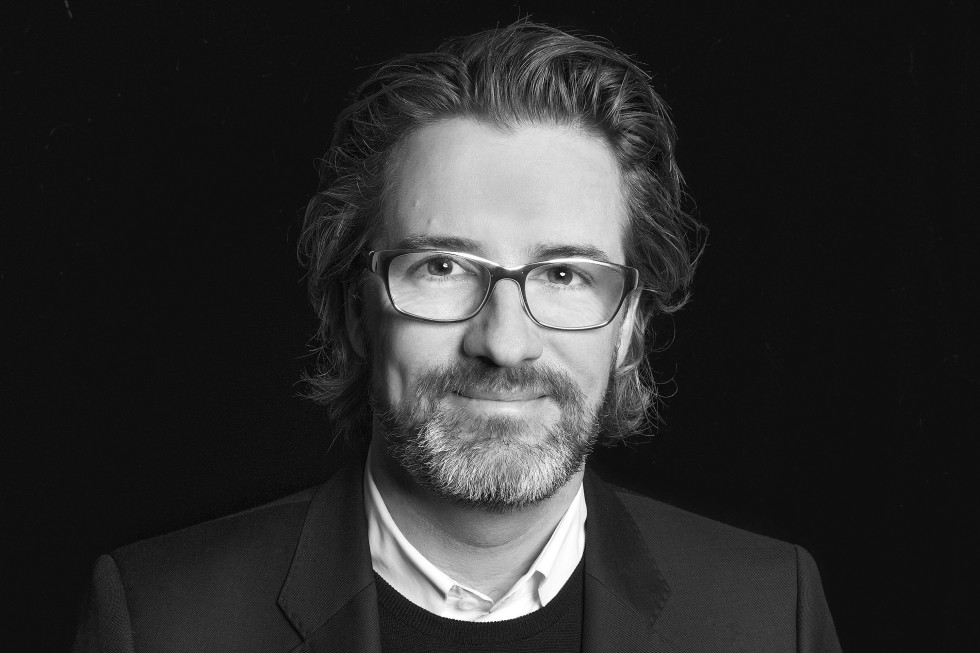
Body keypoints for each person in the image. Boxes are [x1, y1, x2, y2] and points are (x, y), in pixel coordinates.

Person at [73, 22, 842, 652]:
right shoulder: (159, 621)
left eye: (564, 274)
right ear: (355, 310)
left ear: (631, 328)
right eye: (441, 266)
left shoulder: (772, 615)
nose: (503, 343)